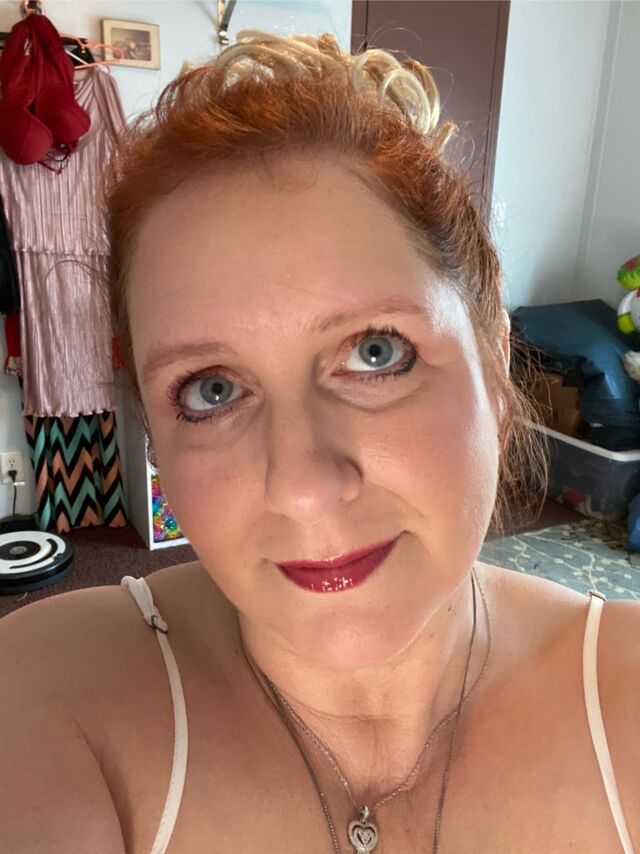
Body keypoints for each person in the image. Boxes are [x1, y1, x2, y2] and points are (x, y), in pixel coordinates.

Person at [1, 29, 638, 854]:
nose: (302, 486)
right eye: (211, 390)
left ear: (494, 364)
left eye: (375, 353)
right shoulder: (51, 694)